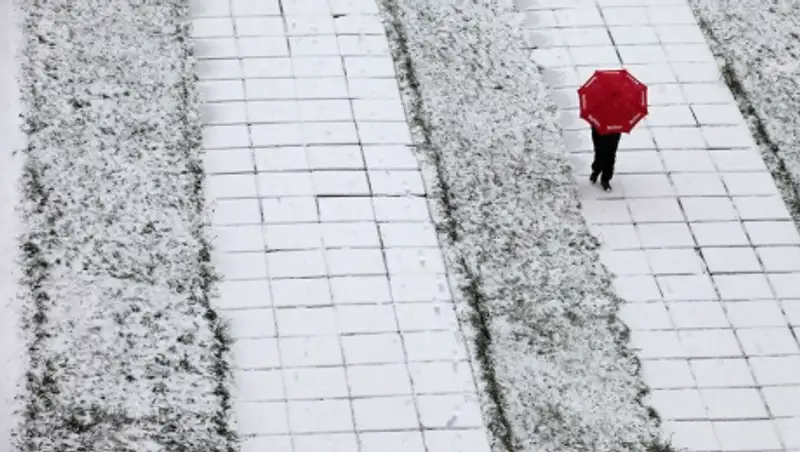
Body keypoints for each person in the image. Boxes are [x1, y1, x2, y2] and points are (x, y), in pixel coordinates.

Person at [589, 126, 622, 191]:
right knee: (599, 152)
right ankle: (596, 171)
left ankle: (605, 179)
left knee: (610, 154)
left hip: (614, 130)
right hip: (599, 129)